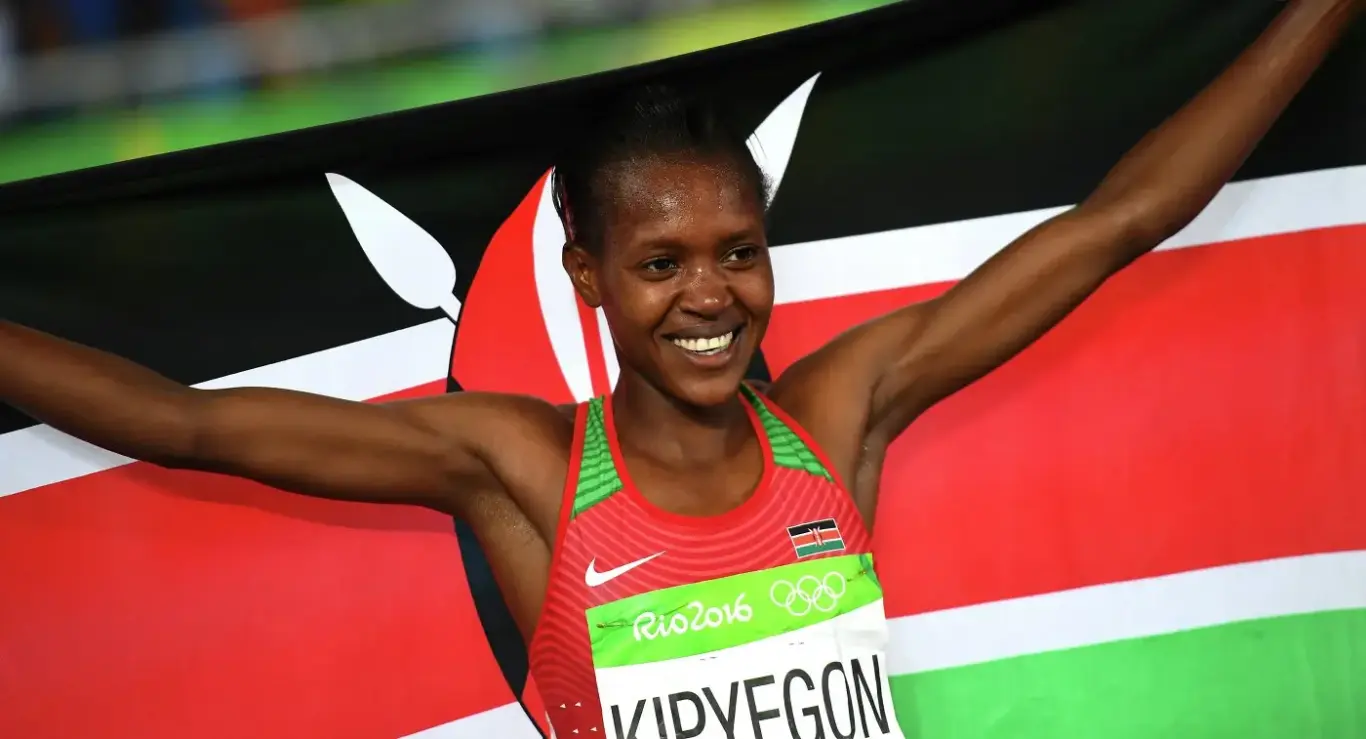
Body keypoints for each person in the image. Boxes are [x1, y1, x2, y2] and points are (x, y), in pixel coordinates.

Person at [0, 1, 1358, 736]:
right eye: (661, 262)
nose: (711, 296)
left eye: (737, 252)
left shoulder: (835, 415)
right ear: (587, 274)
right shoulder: (526, 468)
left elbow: (1119, 220)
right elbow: (183, 424)